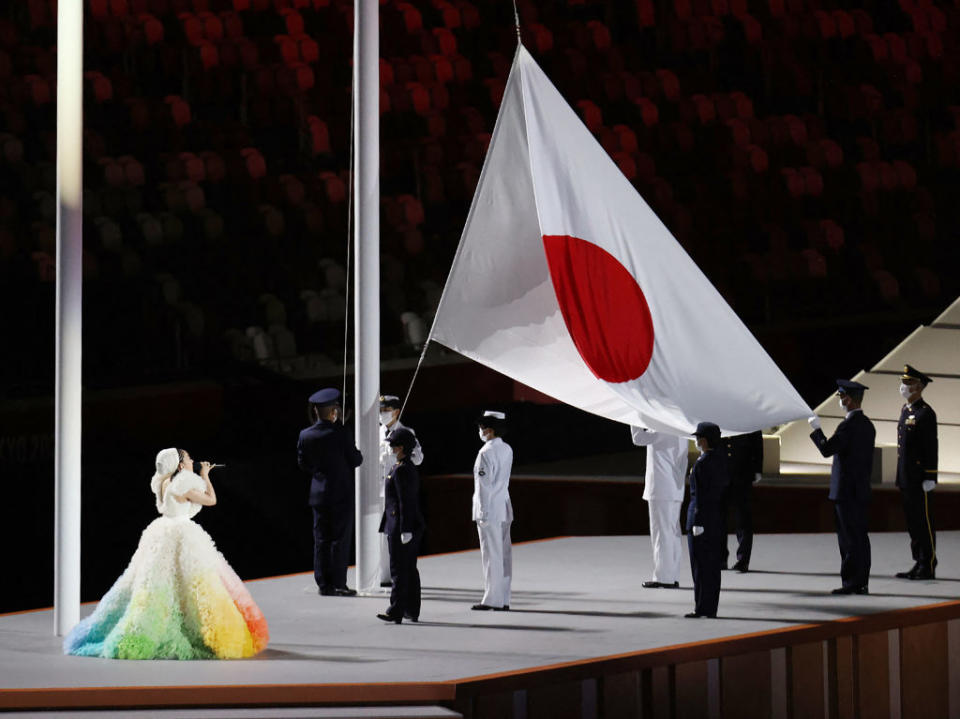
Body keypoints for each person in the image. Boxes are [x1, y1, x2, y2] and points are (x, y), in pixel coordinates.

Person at [64, 448, 269, 659]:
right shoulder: (183, 484)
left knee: (160, 581)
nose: (192, 461)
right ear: (180, 465)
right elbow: (211, 500)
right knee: (191, 582)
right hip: (181, 534)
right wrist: (205, 476)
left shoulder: (163, 482)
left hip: (161, 532)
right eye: (189, 459)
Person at [808, 379, 876, 595]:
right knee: (859, 537)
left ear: (848, 398)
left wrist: (817, 430)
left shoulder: (848, 426)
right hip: (860, 489)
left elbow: (827, 449)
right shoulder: (867, 424)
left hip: (846, 491)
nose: (840, 400)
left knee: (848, 539)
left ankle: (852, 582)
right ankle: (861, 581)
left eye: (841, 397)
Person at [297, 388, 363, 596]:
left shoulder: (305, 435)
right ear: (334, 410)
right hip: (341, 493)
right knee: (339, 540)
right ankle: (338, 583)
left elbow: (303, 464)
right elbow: (356, 460)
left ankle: (323, 584)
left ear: (315, 411)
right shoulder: (341, 432)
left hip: (318, 493)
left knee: (321, 539)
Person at [894, 364, 939, 580]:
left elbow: (931, 446)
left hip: (921, 477)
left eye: (907, 383)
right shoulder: (906, 410)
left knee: (924, 522)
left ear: (918, 387)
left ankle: (928, 564)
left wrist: (931, 475)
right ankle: (918, 561)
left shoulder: (925, 413)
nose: (902, 386)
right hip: (906, 477)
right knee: (912, 523)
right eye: (903, 382)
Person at [376, 428, 425, 624]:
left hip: (402, 526)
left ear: (401, 447)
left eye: (393, 445)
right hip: (399, 524)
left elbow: (406, 501)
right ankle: (410, 609)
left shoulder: (403, 469)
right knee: (408, 568)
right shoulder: (401, 466)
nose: (391, 448)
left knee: (399, 569)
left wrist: (405, 528)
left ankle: (396, 610)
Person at [630, 427, 688, 589]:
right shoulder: (678, 427)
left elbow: (638, 438)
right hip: (673, 488)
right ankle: (671, 575)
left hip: (662, 488)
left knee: (662, 534)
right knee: (671, 532)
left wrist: (634, 418)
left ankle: (663, 578)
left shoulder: (663, 428)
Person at [378, 394, 424, 587]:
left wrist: (405, 453)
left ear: (396, 412)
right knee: (383, 536)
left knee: (398, 534)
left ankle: (398, 576)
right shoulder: (376, 432)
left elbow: (419, 458)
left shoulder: (406, 432)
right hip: (381, 489)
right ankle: (384, 576)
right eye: (380, 411)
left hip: (399, 489)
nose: (382, 414)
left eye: (386, 410)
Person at [685, 422, 729, 619]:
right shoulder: (722, 460)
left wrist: (697, 521)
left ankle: (701, 606)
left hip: (701, 518)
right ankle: (710, 606)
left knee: (700, 566)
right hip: (716, 518)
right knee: (711, 566)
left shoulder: (704, 463)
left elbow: (702, 495)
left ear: (704, 440)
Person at [472, 410, 514, 611]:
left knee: (491, 554)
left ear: (489, 430)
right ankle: (504, 598)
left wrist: (482, 512)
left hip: (489, 509)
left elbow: (483, 486)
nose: (480, 431)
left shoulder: (485, 452)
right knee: (504, 554)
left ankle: (492, 599)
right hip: (504, 506)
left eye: (481, 428)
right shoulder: (507, 449)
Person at [721, 430, 763, 573]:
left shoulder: (749, 411)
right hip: (722, 470)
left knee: (743, 519)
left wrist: (758, 468)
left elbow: (757, 440)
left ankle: (743, 559)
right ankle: (721, 558)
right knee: (720, 518)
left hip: (742, 471)